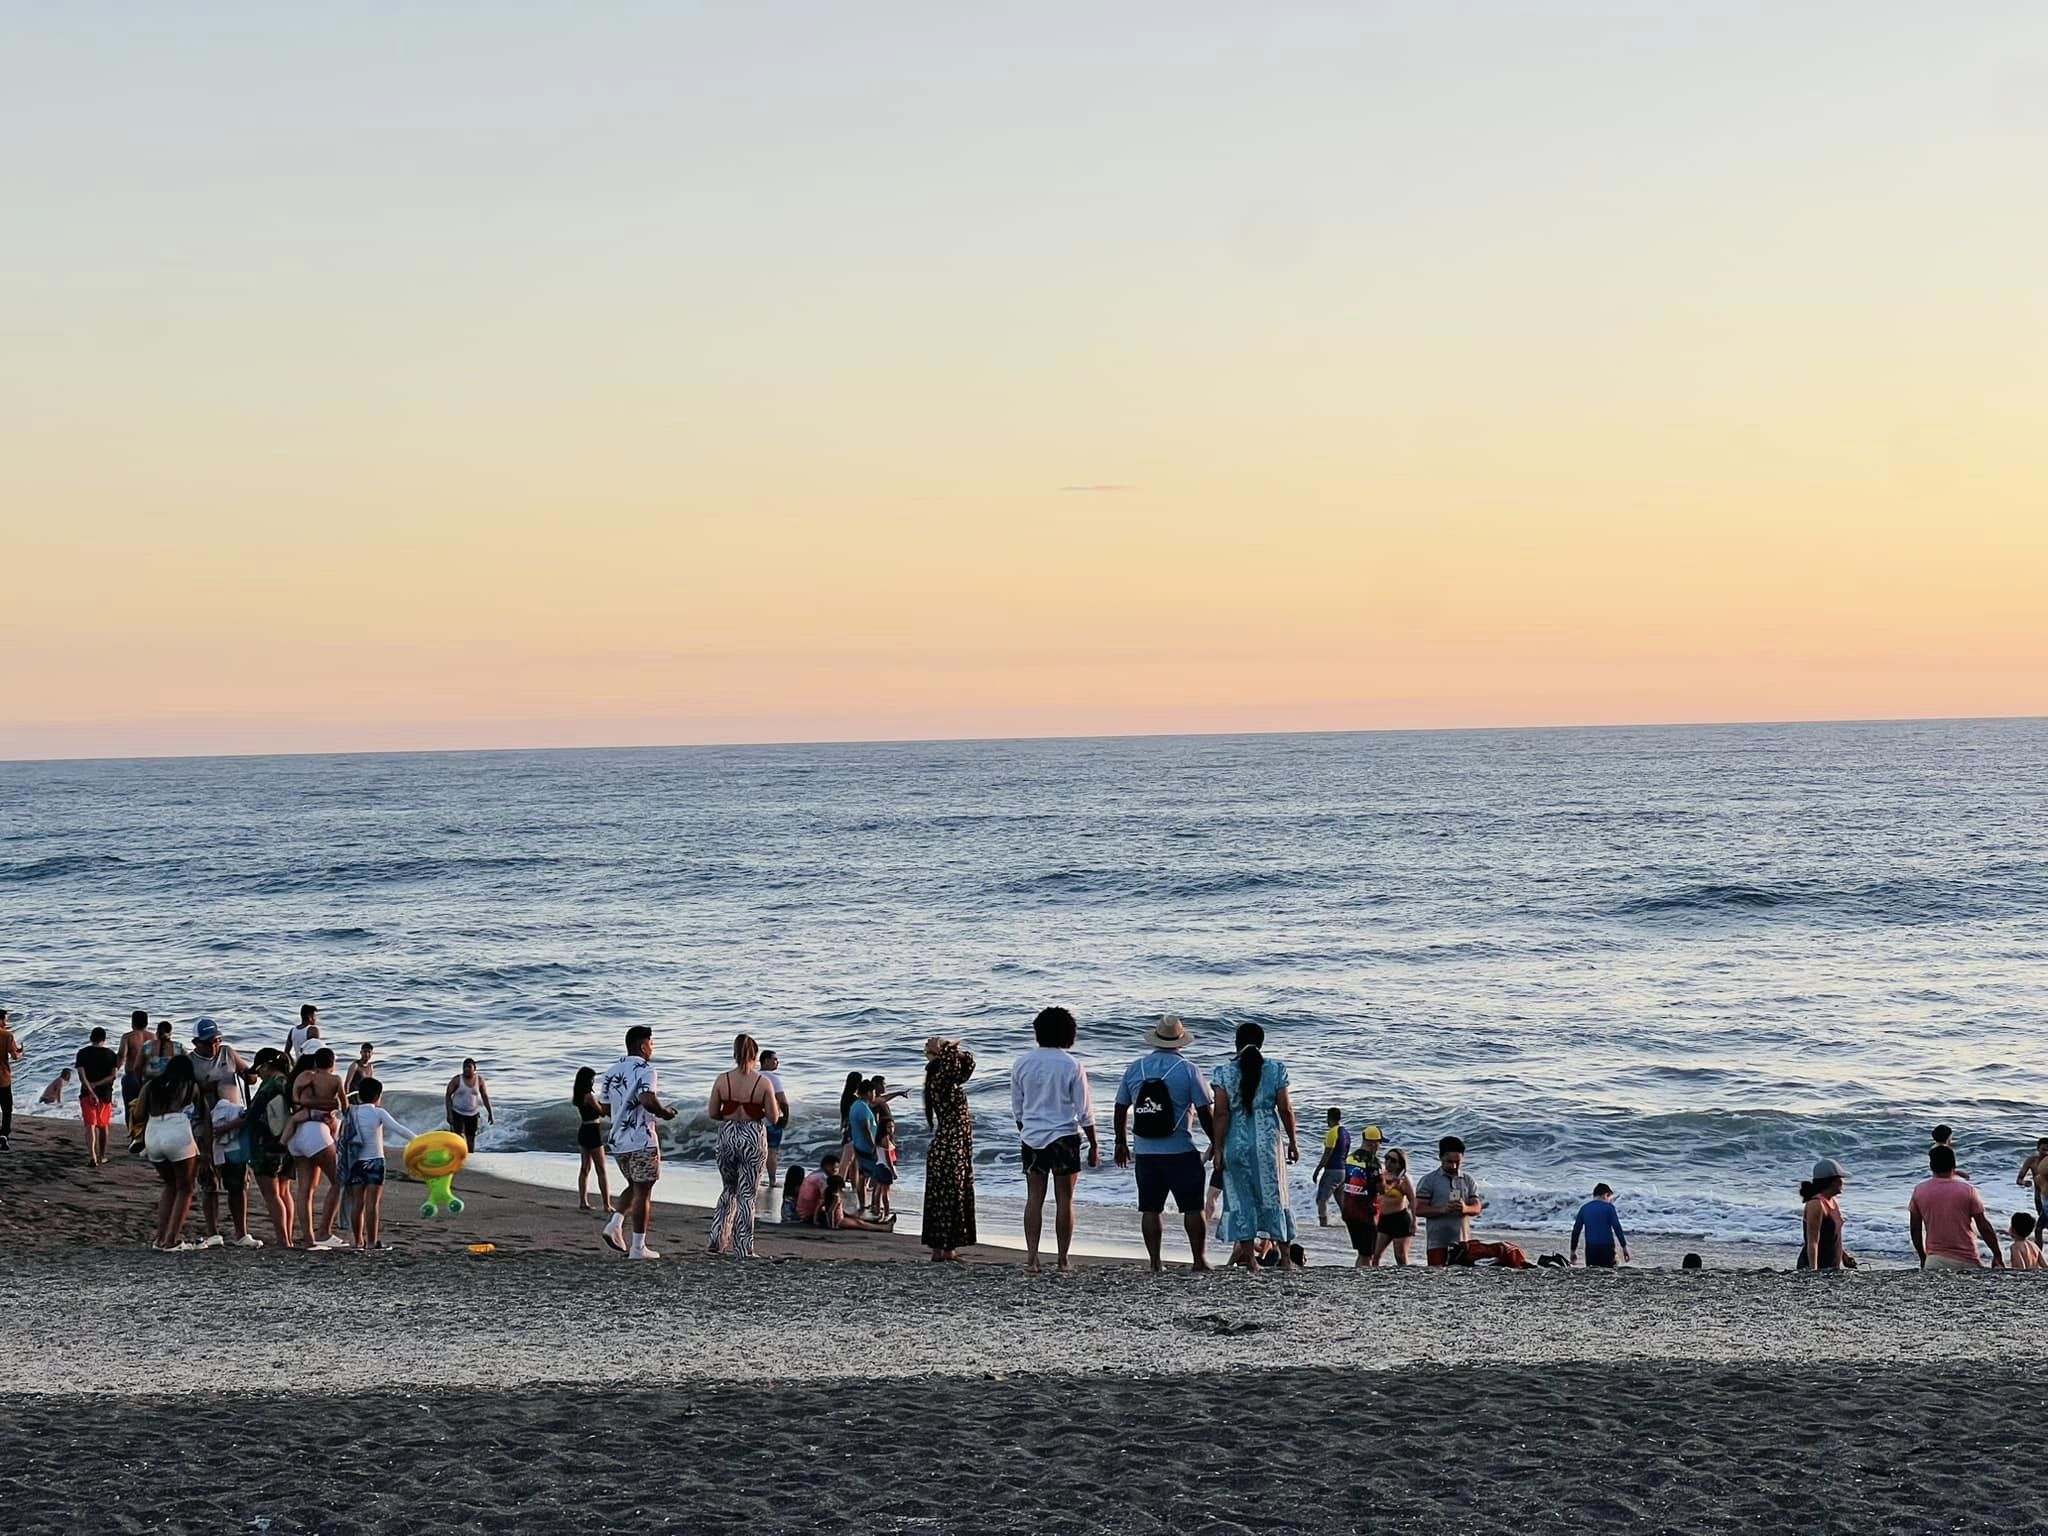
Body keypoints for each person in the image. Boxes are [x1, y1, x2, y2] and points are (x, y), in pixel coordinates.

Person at [1112, 1015, 1212, 1272]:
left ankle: (1155, 1262)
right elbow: (1204, 1110)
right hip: (1180, 1149)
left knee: (1150, 1208)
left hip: (1145, 1151)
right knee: (1193, 1207)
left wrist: (1121, 1142)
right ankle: (1199, 1260)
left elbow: (1121, 1106)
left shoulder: (1136, 1068)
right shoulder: (1188, 1070)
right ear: (1180, 1041)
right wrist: (1217, 1143)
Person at [1010, 1006, 1099, 1274]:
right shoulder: (1072, 1065)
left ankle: (1032, 1259)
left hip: (1032, 1135)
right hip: (1064, 1136)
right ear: (1068, 1034)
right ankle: (1062, 1260)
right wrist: (1094, 1144)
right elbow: (1084, 1111)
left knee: (1034, 1197)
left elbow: (1018, 1109)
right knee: (1064, 1200)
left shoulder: (1022, 1063)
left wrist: (1026, 1131)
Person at [1210, 1021, 1299, 1272]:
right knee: (1275, 1195)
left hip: (1236, 1143)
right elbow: (1285, 1108)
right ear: (1262, 1043)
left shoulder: (1224, 1073)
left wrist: (1217, 1149)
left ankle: (1250, 1260)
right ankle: (1285, 1257)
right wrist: (1293, 1141)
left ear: (1236, 1043)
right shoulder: (1275, 1069)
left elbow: (1221, 1114)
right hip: (1267, 1145)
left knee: (1240, 1198)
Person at [601, 1025, 678, 1260]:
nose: (652, 1048)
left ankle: (615, 1223)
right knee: (644, 1191)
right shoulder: (646, 1070)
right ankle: (638, 1247)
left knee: (635, 1186)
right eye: (651, 1043)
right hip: (641, 1138)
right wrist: (665, 1113)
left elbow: (605, 1108)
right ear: (643, 1045)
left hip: (619, 1140)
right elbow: (647, 1099)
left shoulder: (611, 1071)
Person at [706, 1033, 780, 1258]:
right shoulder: (762, 1082)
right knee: (747, 1194)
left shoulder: (722, 1079)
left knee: (729, 1189)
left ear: (734, 1054)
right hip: (752, 1134)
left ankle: (717, 1238)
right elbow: (774, 1117)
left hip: (728, 1133)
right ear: (755, 1055)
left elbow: (712, 1112)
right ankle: (743, 1248)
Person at [1415, 1137, 1527, 1268]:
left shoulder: (1468, 1180)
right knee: (1437, 1276)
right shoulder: (1429, 1180)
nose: (1454, 1166)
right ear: (1440, 1157)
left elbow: (1477, 1207)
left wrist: (1465, 1209)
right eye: (1449, 1162)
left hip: (1463, 1242)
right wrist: (1442, 1209)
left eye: (1458, 1162)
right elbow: (1419, 1209)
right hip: (1437, 1242)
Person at [921, 1035, 978, 1262]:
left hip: (955, 1146)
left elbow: (969, 1064)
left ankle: (946, 1248)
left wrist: (950, 1050)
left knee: (951, 1195)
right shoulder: (941, 1080)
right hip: (949, 1147)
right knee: (948, 1196)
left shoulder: (949, 1079)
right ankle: (942, 1249)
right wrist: (948, 1050)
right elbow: (953, 1066)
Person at [343, 1078, 417, 1250]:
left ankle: (357, 1241)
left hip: (355, 1162)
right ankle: (371, 1242)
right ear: (378, 1096)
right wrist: (419, 1140)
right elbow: (399, 1129)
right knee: (372, 1204)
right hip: (375, 1161)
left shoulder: (352, 1113)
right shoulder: (378, 1113)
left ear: (359, 1095)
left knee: (357, 1203)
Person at [137, 1054, 202, 1251]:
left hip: (153, 1133)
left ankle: (159, 1238)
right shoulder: (191, 1086)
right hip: (177, 1132)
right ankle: (171, 1240)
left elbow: (139, 1114)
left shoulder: (151, 1085)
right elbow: (203, 1116)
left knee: (170, 1184)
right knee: (186, 1187)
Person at [287, 1046, 350, 1249]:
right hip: (315, 1134)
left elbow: (299, 1099)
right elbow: (344, 1104)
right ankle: (324, 1232)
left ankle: (309, 1239)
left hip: (296, 1136)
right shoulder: (331, 1079)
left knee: (305, 1189)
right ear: (332, 1063)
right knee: (338, 1180)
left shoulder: (302, 1078)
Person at [1910, 1143, 2003, 1270]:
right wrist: (1997, 1255)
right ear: (1954, 1166)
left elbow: (1915, 1228)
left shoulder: (1920, 1190)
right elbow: (1984, 1226)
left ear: (1931, 1166)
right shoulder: (1967, 1190)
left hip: (1934, 1259)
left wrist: (1922, 1256)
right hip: (1966, 1259)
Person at [244, 1049, 297, 1250]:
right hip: (287, 1143)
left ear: (266, 1067)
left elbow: (250, 1115)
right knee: (285, 1193)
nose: (258, 1076)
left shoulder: (269, 1086)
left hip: (266, 1145)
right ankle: (289, 1237)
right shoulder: (289, 1083)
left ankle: (283, 1240)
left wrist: (223, 1128)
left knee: (272, 1195)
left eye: (259, 1071)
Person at [205, 1079, 261, 1248]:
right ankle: (215, 1232)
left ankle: (239, 1232)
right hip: (210, 1135)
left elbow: (249, 1076)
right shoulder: (193, 1062)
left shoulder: (229, 1057)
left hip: (227, 1142)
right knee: (211, 1186)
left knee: (235, 1187)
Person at [794, 1156, 893, 1231]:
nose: (836, 1171)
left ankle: (877, 1223)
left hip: (805, 1213)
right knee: (857, 1223)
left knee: (853, 1218)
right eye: (835, 1168)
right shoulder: (822, 1179)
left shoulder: (816, 1174)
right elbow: (827, 1203)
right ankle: (883, 1227)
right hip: (809, 1215)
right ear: (827, 1166)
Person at [1336, 1126, 1386, 1267]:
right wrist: (1392, 1183)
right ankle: (1363, 1279)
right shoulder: (1373, 1162)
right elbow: (1381, 1189)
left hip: (1349, 1210)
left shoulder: (1350, 1158)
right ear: (1372, 1143)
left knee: (1361, 1251)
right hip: (1366, 1212)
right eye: (1379, 1143)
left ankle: (1358, 1275)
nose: (1380, 1146)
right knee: (1368, 1253)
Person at [73, 1026, 120, 1168]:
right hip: (105, 1094)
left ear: (91, 1038)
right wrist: (97, 1084)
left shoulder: (82, 1053)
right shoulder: (111, 1054)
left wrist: (91, 1090)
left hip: (87, 1094)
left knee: (90, 1125)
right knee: (103, 1126)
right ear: (104, 1039)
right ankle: (101, 1156)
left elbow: (82, 1076)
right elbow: (113, 1076)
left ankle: (92, 1156)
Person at [849, 1079, 894, 1220]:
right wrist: (873, 1147)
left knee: (863, 1176)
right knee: (878, 1179)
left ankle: (864, 1205)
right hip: (866, 1148)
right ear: (869, 1092)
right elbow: (866, 1130)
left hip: (859, 1145)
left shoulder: (856, 1105)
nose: (875, 1094)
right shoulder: (862, 1107)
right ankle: (876, 1208)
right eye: (874, 1092)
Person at [1795, 1160, 1853, 1272]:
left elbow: (1833, 1236)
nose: (1843, 1182)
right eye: (1841, 1179)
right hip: (1816, 1266)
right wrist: (1813, 1271)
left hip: (1832, 1266)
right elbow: (1813, 1241)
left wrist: (1844, 1257)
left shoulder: (1833, 1201)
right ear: (1833, 1181)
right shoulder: (1816, 1204)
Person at [571, 1066, 611, 1213]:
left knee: (585, 1168)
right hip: (593, 1131)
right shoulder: (589, 1096)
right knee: (601, 1170)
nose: (594, 1081)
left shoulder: (579, 1095)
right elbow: (601, 1112)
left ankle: (583, 1201)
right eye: (592, 1078)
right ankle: (606, 1204)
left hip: (583, 1130)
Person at [1572, 1183, 1633, 1269]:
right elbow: (1617, 1228)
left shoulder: (1584, 1208)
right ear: (1606, 1195)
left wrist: (1573, 1251)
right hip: (1607, 1248)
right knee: (1609, 1273)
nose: (1609, 1201)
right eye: (1609, 1198)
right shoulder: (1609, 1208)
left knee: (1593, 1274)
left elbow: (1576, 1230)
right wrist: (1624, 1247)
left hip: (1591, 1249)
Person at [1373, 1146, 1416, 1266]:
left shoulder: (1403, 1179)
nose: (1388, 1163)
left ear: (1400, 1164)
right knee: (1375, 1254)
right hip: (1383, 1219)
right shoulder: (1381, 1177)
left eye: (1393, 1161)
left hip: (1400, 1219)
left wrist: (1414, 1221)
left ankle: (1404, 1278)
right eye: (1387, 1158)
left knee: (1400, 1255)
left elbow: (1412, 1200)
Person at [116, 1010, 152, 1154]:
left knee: (130, 1107)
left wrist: (114, 1072)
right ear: (146, 1022)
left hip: (132, 1076)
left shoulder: (128, 1037)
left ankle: (134, 1137)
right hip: (148, 1077)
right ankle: (147, 1138)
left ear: (132, 1022)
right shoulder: (153, 1037)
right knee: (148, 1108)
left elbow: (121, 1056)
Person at [759, 1050, 790, 1202]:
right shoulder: (773, 1078)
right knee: (772, 1151)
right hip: (771, 1119)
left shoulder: (754, 1076)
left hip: (757, 1119)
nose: (777, 1062)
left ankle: (757, 1178)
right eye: (774, 1060)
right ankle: (772, 1180)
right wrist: (786, 1117)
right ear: (765, 1061)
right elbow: (782, 1101)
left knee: (759, 1150)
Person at [1311, 1108, 1350, 1227]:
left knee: (1321, 1199)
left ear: (1329, 1118)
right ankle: (1350, 1224)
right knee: (1341, 1200)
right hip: (1343, 1170)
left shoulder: (1332, 1132)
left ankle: (1324, 1225)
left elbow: (1328, 1153)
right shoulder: (1346, 1133)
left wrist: (1318, 1170)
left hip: (1332, 1170)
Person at [445, 1059, 493, 1150]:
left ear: (474, 1068)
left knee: (471, 1139)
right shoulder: (457, 1080)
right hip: (457, 1113)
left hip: (473, 1114)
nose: (466, 1069)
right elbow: (448, 1095)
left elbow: (485, 1096)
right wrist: (449, 1114)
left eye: (469, 1067)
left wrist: (490, 1113)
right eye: (464, 1067)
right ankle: (459, 1155)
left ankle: (470, 1157)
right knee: (458, 1137)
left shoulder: (479, 1080)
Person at [837, 1071, 868, 1213]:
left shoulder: (846, 1096)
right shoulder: (853, 1098)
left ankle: (855, 1187)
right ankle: (839, 1186)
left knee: (854, 1163)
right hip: (852, 1132)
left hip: (848, 1130)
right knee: (847, 1161)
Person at [2014, 1138, 2048, 1231]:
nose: (2046, 1153)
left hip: (2046, 1197)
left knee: (2039, 1228)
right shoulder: (2031, 1161)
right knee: (2042, 1226)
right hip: (2038, 1198)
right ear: (2038, 1149)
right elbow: (2019, 1179)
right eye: (2044, 1150)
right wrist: (2024, 1182)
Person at [0, 1007, 22, 1150]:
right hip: (3, 1079)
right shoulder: (7, 1035)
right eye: (6, 1019)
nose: (7, 1022)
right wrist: (21, 1053)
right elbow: (15, 1056)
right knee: (7, 1108)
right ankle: (4, 1135)